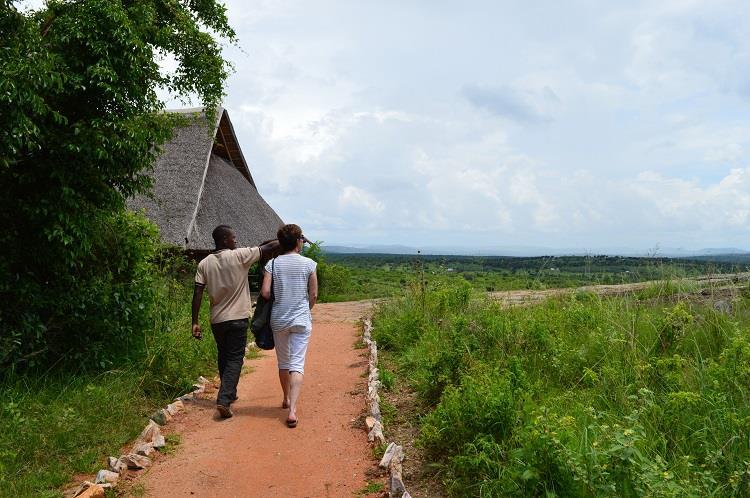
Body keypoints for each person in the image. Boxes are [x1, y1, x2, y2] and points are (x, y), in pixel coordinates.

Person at [192, 225, 280, 419]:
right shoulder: (240, 256)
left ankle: (229, 392)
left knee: (224, 355)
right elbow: (267, 248)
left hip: (217, 320)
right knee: (234, 358)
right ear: (225, 240)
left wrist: (195, 321)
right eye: (233, 238)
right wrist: (290, 238)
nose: (236, 240)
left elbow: (197, 292)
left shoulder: (204, 264)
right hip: (238, 317)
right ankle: (224, 400)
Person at [260, 224, 318, 428]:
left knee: (283, 362)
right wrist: (306, 308)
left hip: (279, 319)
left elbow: (265, 292)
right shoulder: (309, 264)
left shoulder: (272, 264)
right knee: (297, 364)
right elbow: (313, 295)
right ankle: (292, 410)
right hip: (301, 319)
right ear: (297, 242)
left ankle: (285, 398)